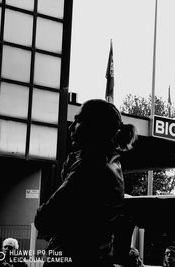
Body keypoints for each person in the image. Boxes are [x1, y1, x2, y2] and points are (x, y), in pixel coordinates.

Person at [34, 99, 138, 266]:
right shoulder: (112, 164)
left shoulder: (89, 167)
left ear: (95, 126)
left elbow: (44, 219)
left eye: (78, 120)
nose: (71, 126)